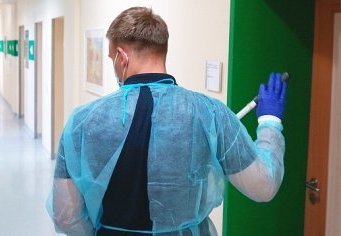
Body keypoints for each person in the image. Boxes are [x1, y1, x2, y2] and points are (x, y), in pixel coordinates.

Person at [47, 6, 287, 236]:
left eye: (112, 58)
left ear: (121, 57)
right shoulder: (211, 113)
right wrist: (270, 122)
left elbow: (65, 215)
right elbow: (263, 185)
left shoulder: (82, 121)